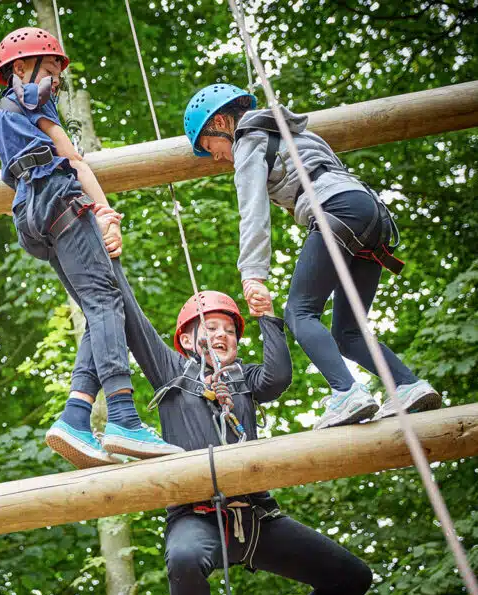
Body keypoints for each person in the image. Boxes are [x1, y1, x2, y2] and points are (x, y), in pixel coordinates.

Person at [0, 27, 183, 468]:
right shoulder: (35, 98)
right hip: (59, 199)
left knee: (96, 307)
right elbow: (73, 159)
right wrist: (105, 211)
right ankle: (124, 417)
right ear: (20, 67)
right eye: (50, 66)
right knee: (107, 301)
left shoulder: (1, 114)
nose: (56, 77)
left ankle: (74, 416)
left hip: (29, 215)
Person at [182, 84, 442, 429]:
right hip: (370, 212)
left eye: (209, 146)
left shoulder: (247, 141)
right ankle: (407, 384)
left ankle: (346, 392)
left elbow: (253, 212)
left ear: (220, 123)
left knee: (299, 313)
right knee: (347, 333)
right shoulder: (294, 133)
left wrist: (253, 273)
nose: (215, 156)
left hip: (336, 211)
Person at [150, 290, 372, 595]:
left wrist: (267, 318)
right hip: (196, 517)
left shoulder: (243, 379)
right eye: (211, 327)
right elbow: (133, 323)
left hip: (258, 519)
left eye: (230, 330)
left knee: (352, 577)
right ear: (186, 339)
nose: (222, 335)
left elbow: (278, 377)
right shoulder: (171, 376)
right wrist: (110, 255)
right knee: (184, 558)